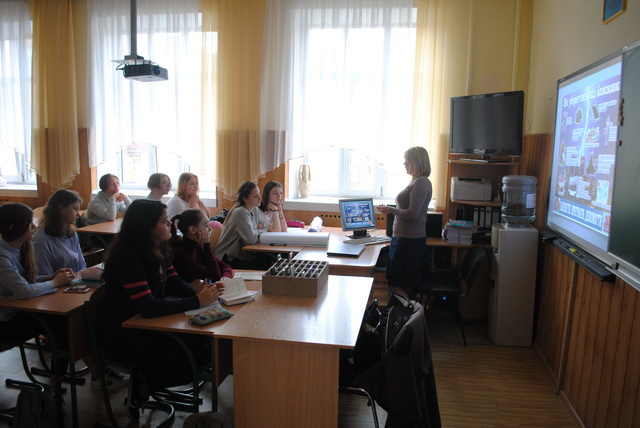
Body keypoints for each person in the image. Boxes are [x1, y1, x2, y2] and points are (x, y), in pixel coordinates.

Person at [99, 199, 223, 420]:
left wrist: (204, 295)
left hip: (148, 324)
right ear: (147, 227)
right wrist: (197, 302)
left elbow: (175, 283)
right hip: (125, 334)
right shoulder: (129, 259)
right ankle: (144, 381)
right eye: (164, 221)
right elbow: (148, 307)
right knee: (188, 355)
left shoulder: (158, 250)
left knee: (204, 347)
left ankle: (147, 382)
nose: (169, 225)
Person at [0, 203, 74, 385]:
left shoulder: (22, 247)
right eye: (30, 223)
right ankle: (55, 386)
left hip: (19, 310)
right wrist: (55, 283)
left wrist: (50, 277)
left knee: (67, 322)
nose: (34, 227)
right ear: (13, 227)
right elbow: (24, 290)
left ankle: (58, 382)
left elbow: (27, 282)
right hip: (5, 322)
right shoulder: (2, 256)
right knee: (61, 323)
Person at [377, 146, 433, 305]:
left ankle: (410, 312)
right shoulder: (415, 181)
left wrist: (390, 210)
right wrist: (391, 210)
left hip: (409, 241)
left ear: (416, 162)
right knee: (396, 282)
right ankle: (406, 313)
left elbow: (412, 214)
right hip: (402, 239)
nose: (404, 164)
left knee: (395, 284)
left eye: (406, 161)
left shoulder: (421, 183)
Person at [33, 189, 103, 281]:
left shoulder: (71, 233)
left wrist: (84, 276)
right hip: (57, 286)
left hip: (74, 282)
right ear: (61, 208)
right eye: (75, 209)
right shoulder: (41, 240)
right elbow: (47, 276)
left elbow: (81, 265)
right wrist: (80, 275)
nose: (78, 214)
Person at [214, 181, 274, 270]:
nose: (260, 198)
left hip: (241, 255)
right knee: (267, 267)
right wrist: (262, 230)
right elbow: (251, 239)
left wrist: (258, 231)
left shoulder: (254, 209)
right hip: (227, 258)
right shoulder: (240, 212)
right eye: (255, 196)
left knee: (270, 262)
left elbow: (268, 226)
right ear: (245, 199)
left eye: (259, 194)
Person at [170, 208, 234, 283]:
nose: (210, 229)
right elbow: (215, 276)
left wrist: (226, 276)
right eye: (206, 225)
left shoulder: (196, 245)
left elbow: (224, 265)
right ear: (192, 230)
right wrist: (206, 245)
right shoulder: (181, 254)